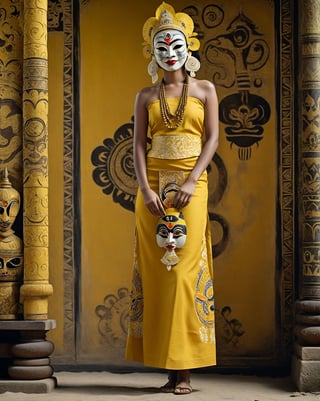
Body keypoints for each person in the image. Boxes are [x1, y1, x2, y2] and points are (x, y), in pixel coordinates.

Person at [126, 2, 219, 395]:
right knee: (159, 275)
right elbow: (137, 145)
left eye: (175, 44)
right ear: (153, 52)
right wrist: (146, 189)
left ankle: (185, 371)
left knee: (184, 271)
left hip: (191, 187)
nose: (169, 52)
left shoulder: (205, 89)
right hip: (153, 190)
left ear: (189, 47)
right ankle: (167, 368)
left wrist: (192, 179)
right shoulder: (145, 94)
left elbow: (212, 138)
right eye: (160, 47)